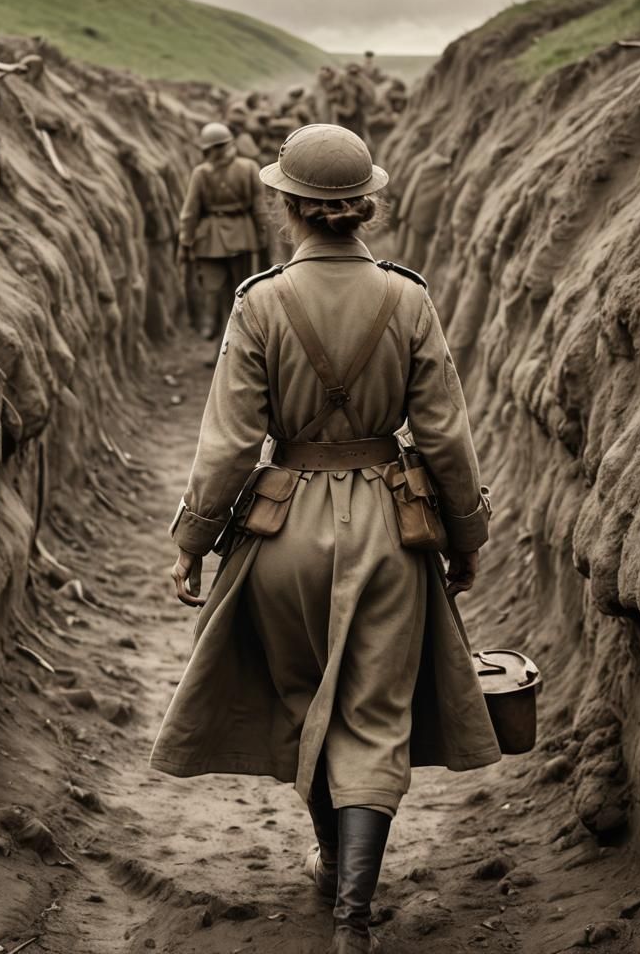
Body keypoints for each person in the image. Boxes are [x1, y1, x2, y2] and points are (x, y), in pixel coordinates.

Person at [152, 124, 499, 954]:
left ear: (287, 206)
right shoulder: (408, 298)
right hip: (392, 530)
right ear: (364, 206)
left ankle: (328, 862)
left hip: (281, 535)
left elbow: (231, 443)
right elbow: (447, 438)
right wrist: (467, 533)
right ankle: (354, 916)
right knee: (376, 718)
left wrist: (194, 540)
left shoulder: (259, 301)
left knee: (307, 704)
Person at [178, 122, 267, 346]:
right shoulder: (249, 167)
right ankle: (229, 342)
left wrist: (186, 242)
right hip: (242, 236)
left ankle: (221, 338)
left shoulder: (201, 173)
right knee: (238, 293)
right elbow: (259, 209)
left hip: (211, 241)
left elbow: (190, 213)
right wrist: (261, 236)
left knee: (219, 292)